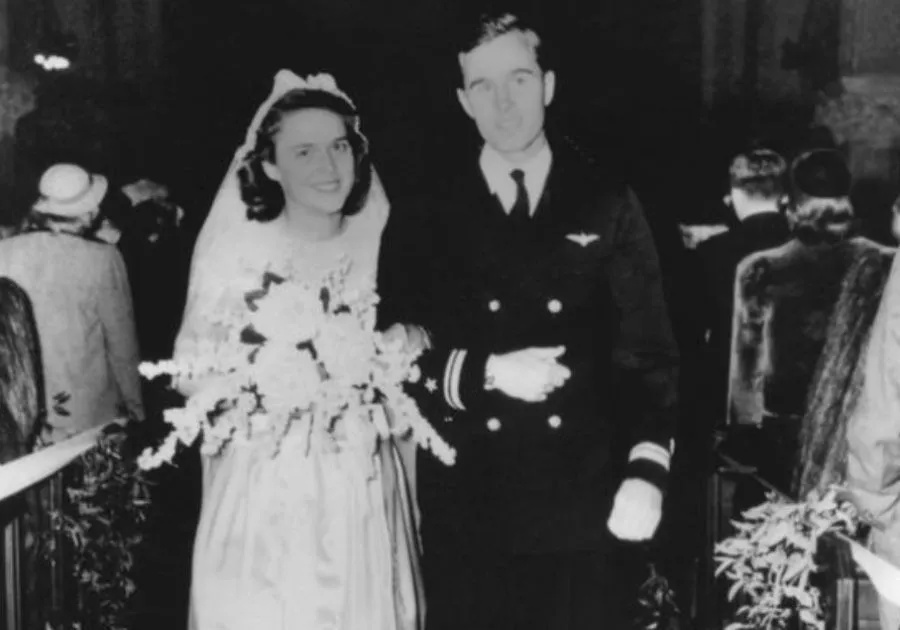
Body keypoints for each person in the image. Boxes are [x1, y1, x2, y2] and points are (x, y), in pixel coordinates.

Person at [378, 12, 679, 629]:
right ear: (464, 101)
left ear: (548, 85)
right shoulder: (424, 210)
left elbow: (649, 355)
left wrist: (647, 471)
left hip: (586, 503)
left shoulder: (608, 199)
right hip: (471, 506)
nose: (503, 102)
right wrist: (486, 373)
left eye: (518, 79)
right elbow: (389, 355)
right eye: (483, 86)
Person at [174, 70, 422, 630]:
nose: (327, 166)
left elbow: (421, 341)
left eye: (339, 147)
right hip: (267, 485)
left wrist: (402, 343)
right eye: (303, 151)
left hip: (361, 480)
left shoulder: (382, 242)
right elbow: (189, 368)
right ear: (269, 165)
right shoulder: (238, 255)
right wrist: (266, 378)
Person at [727, 149, 892, 492]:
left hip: (783, 439)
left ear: (791, 202)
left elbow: (747, 371)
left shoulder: (761, 269)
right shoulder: (885, 264)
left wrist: (743, 437)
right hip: (861, 439)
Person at [0, 163, 143, 443]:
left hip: (20, 413)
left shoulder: (4, 253)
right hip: (88, 414)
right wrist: (136, 409)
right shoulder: (103, 259)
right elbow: (122, 344)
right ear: (89, 212)